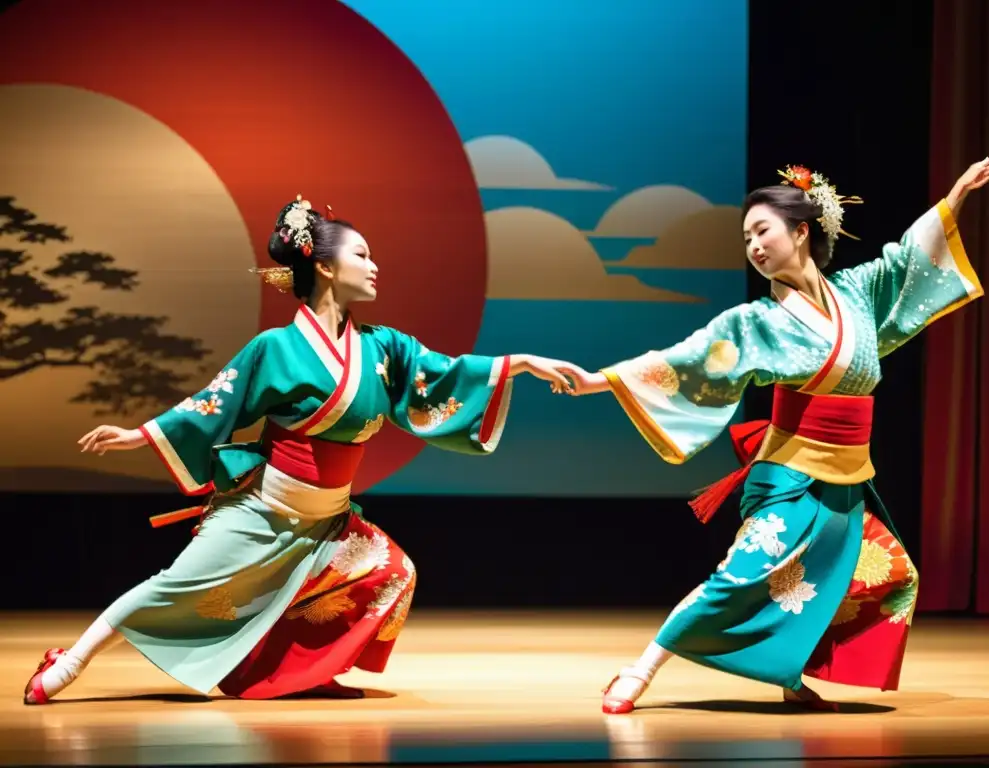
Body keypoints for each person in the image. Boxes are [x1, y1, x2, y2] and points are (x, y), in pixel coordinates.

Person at [24, 195, 584, 704]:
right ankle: (71, 664)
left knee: (392, 572)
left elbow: (445, 373)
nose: (374, 265)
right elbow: (215, 402)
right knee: (173, 587)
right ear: (323, 266)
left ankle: (302, 672)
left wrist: (524, 364)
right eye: (362, 255)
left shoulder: (382, 346)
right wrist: (140, 434)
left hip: (329, 521)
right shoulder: (276, 347)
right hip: (264, 512)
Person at [568, 153, 989, 714]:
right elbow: (690, 358)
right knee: (741, 577)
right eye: (746, 236)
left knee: (887, 576)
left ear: (801, 231)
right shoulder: (759, 321)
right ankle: (640, 670)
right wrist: (600, 380)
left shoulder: (857, 292)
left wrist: (957, 197)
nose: (753, 246)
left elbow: (906, 258)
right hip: (791, 473)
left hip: (848, 475)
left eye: (762, 230)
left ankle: (789, 672)